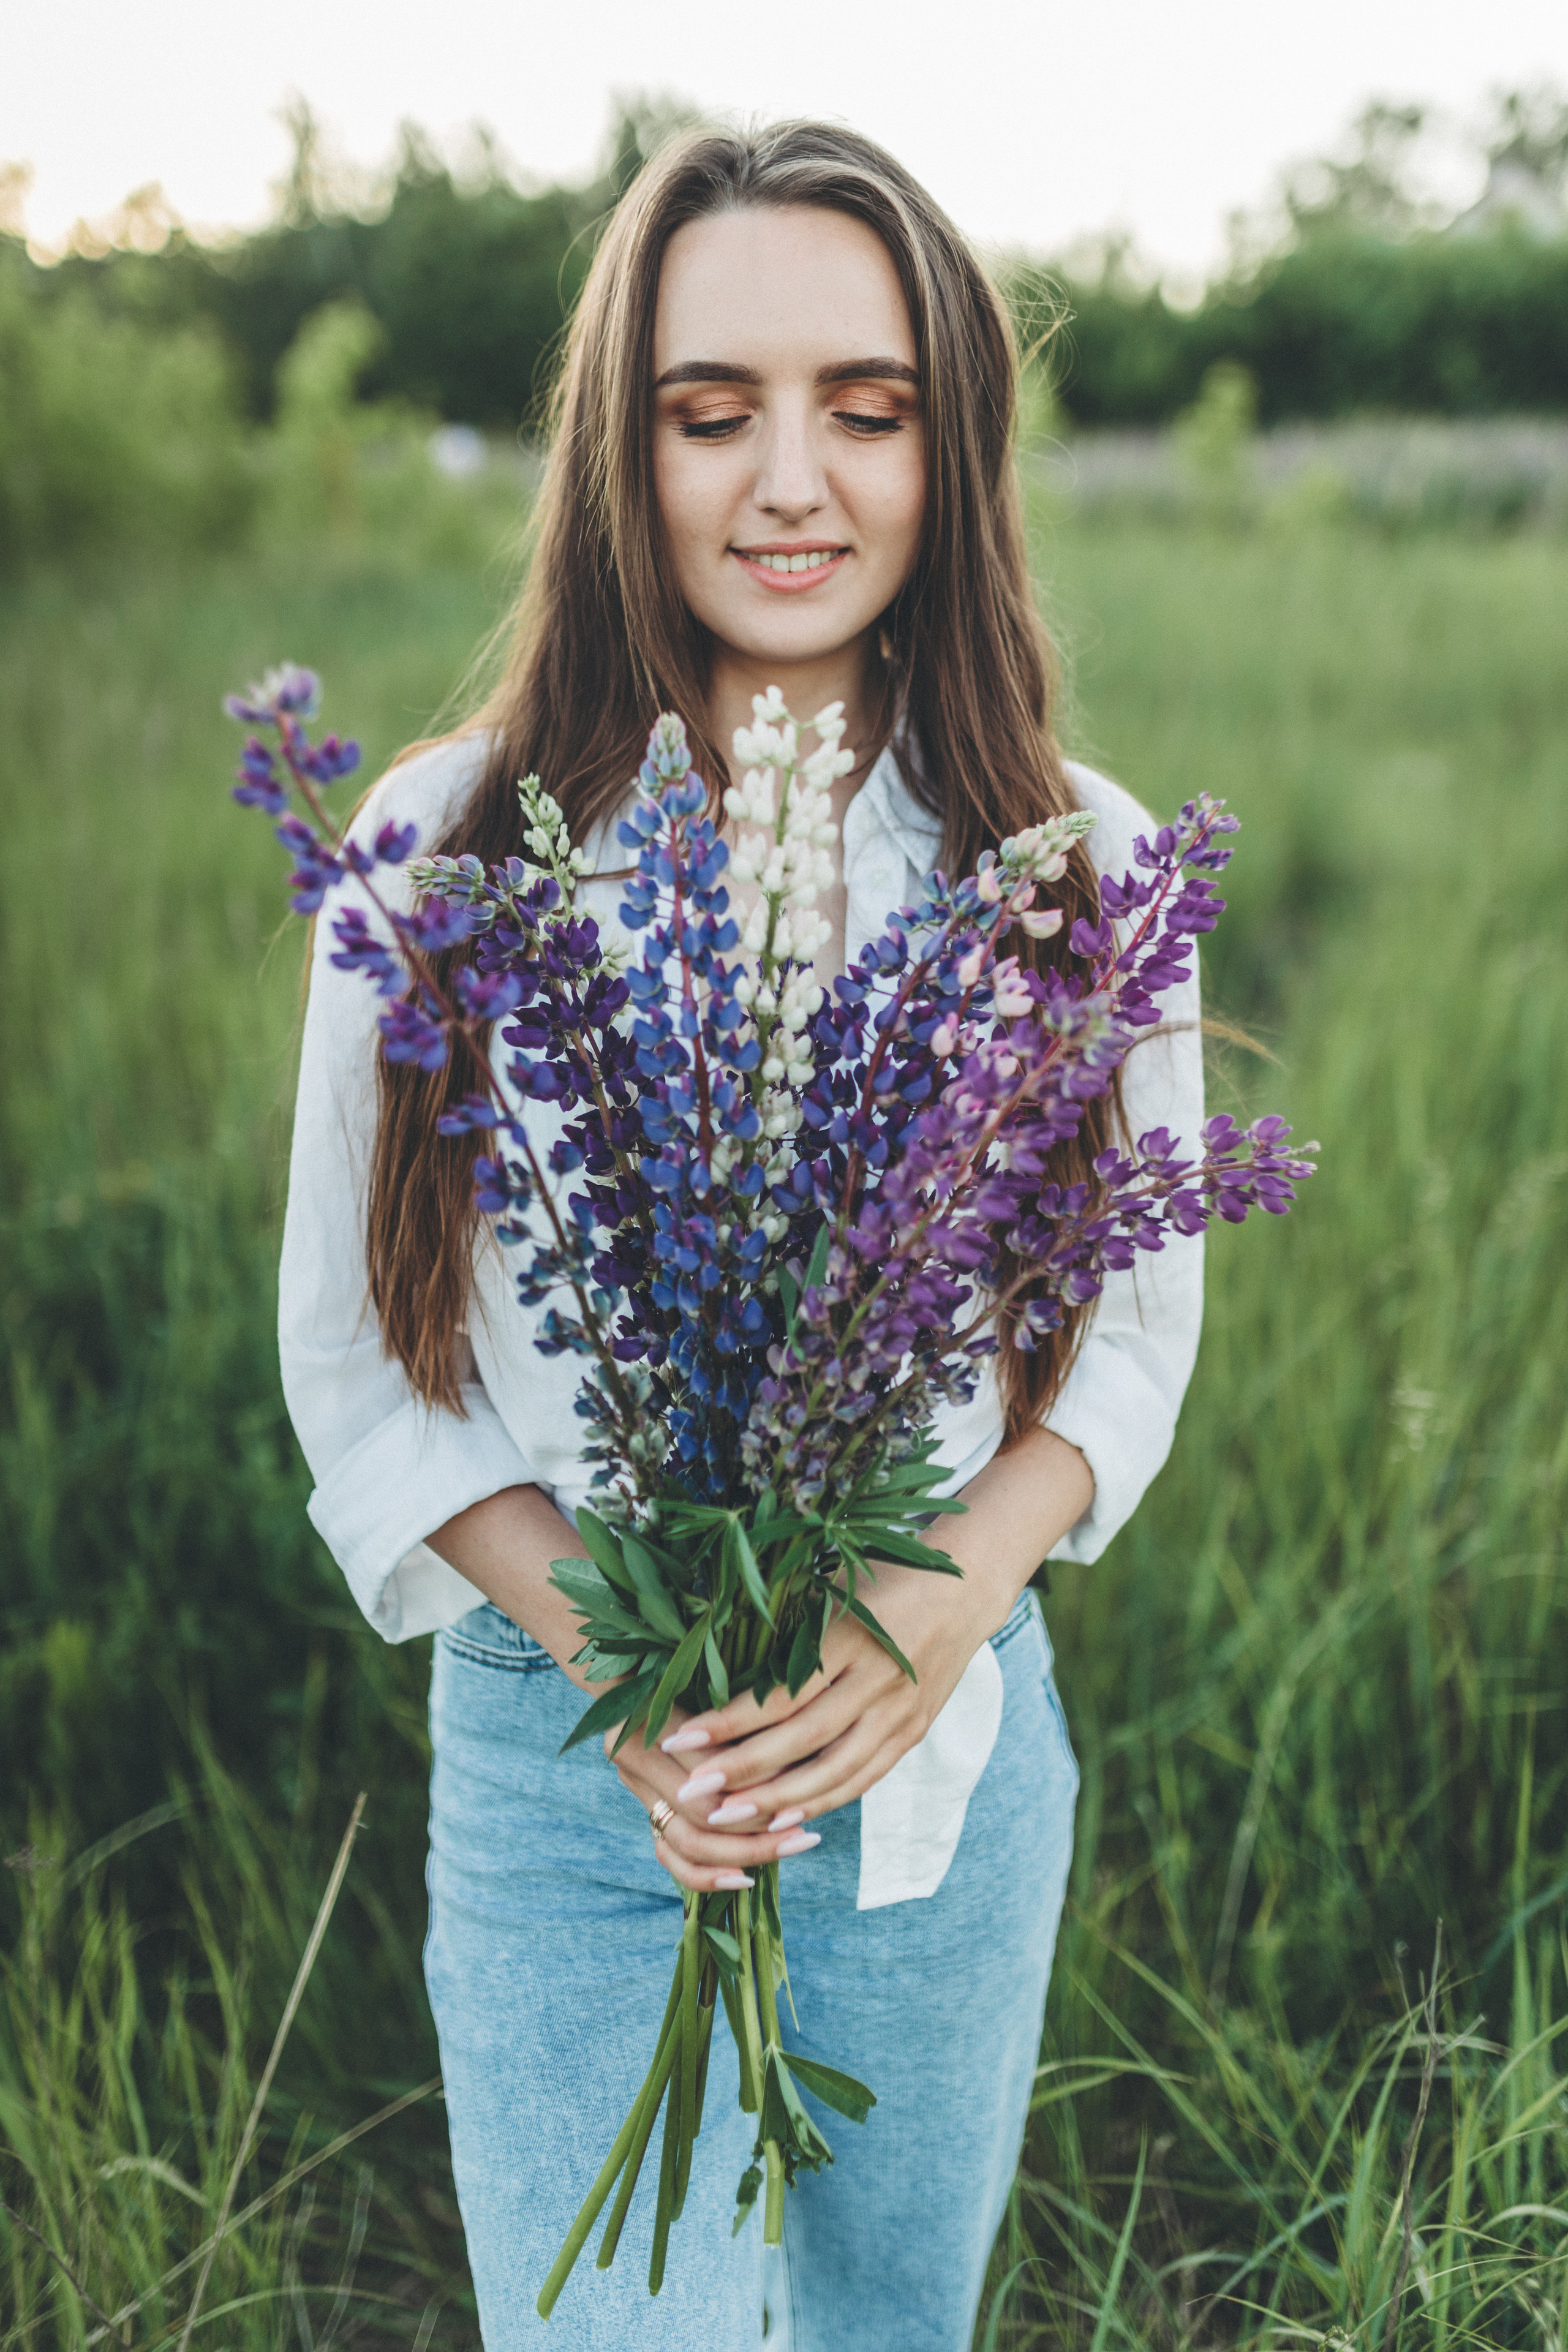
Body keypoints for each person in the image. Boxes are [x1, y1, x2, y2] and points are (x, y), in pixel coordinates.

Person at [279, 120, 1203, 2352]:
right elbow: (351, 1349)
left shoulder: (1068, 856)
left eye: (865, 413)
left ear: (948, 445)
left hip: (940, 1744)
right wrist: (626, 1656)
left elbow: (1140, 1335)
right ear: (625, 447)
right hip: (574, 1746)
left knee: (893, 2324)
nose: (791, 480)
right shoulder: (445, 834)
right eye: (714, 416)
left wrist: (943, 1600)